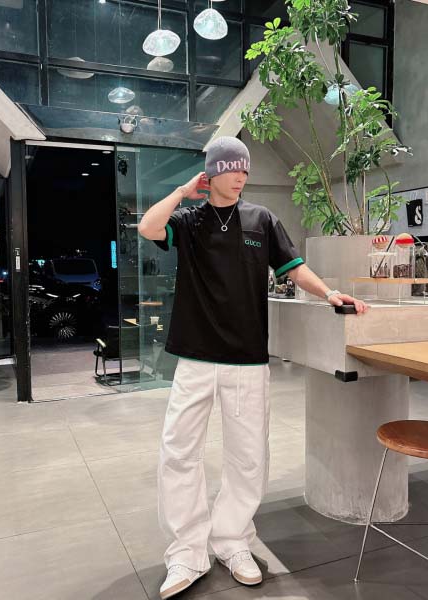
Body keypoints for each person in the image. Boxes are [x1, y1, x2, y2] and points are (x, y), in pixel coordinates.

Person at [139, 136, 367, 600]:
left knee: (248, 456)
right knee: (179, 452)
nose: (241, 175)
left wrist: (329, 293)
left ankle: (233, 541)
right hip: (195, 357)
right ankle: (187, 552)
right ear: (212, 173)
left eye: (244, 168)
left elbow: (293, 268)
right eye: (231, 168)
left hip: (247, 358)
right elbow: (148, 227)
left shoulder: (262, 219)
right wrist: (182, 192)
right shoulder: (189, 221)